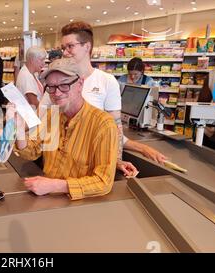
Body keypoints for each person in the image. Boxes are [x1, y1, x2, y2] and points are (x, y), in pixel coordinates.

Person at [40, 21, 137, 177]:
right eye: (63, 48)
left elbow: (115, 126)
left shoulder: (106, 81)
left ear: (87, 46)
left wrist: (116, 160)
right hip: (59, 166)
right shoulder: (56, 80)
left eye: (70, 46)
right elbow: (42, 120)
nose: (65, 52)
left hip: (91, 169)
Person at [13, 58, 118, 199]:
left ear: (80, 84)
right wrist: (19, 128)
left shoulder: (103, 124)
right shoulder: (52, 115)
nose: (56, 93)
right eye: (51, 87)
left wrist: (55, 185)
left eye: (64, 85)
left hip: (81, 205)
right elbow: (31, 152)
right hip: (47, 198)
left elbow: (103, 182)